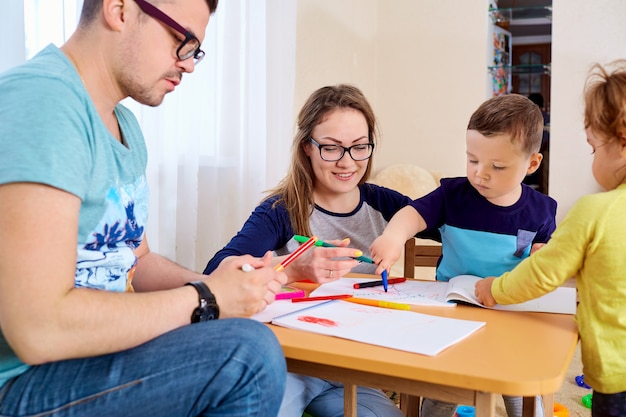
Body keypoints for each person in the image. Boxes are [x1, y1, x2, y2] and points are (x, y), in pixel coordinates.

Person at [0, 1, 288, 416]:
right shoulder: (44, 104)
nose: (188, 65)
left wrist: (228, 286)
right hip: (21, 380)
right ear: (119, 10)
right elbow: (39, 328)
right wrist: (207, 297)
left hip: (82, 362)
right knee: (245, 357)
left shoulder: (125, 126)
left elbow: (138, 260)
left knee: (243, 333)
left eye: (195, 50)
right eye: (181, 41)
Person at [204, 84, 408, 417]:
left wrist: (400, 232)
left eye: (359, 147)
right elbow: (216, 272)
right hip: (290, 364)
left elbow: (447, 215)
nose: (347, 162)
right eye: (331, 148)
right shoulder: (280, 210)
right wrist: (290, 267)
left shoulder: (384, 202)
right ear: (306, 148)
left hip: (353, 371)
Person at [370, 93, 557, 417]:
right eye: (472, 160)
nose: (481, 174)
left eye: (497, 166)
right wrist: (393, 236)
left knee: (519, 389)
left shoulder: (541, 209)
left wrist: (542, 253)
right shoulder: (453, 194)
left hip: (511, 308)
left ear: (532, 164)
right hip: (453, 307)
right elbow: (413, 214)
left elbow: (547, 251)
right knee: (443, 388)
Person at [475, 61, 626, 417]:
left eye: (593, 147)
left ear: (620, 144)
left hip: (618, 376)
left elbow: (542, 274)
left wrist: (494, 288)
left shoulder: (595, 210)